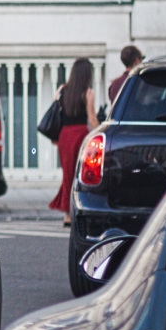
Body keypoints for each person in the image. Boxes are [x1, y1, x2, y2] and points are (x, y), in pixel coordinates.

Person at [49, 58, 100, 225]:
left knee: (67, 174)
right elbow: (92, 119)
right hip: (80, 135)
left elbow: (57, 113)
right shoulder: (88, 93)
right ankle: (75, 211)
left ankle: (67, 215)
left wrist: (55, 137)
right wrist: (102, 133)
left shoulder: (62, 90)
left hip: (64, 136)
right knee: (79, 174)